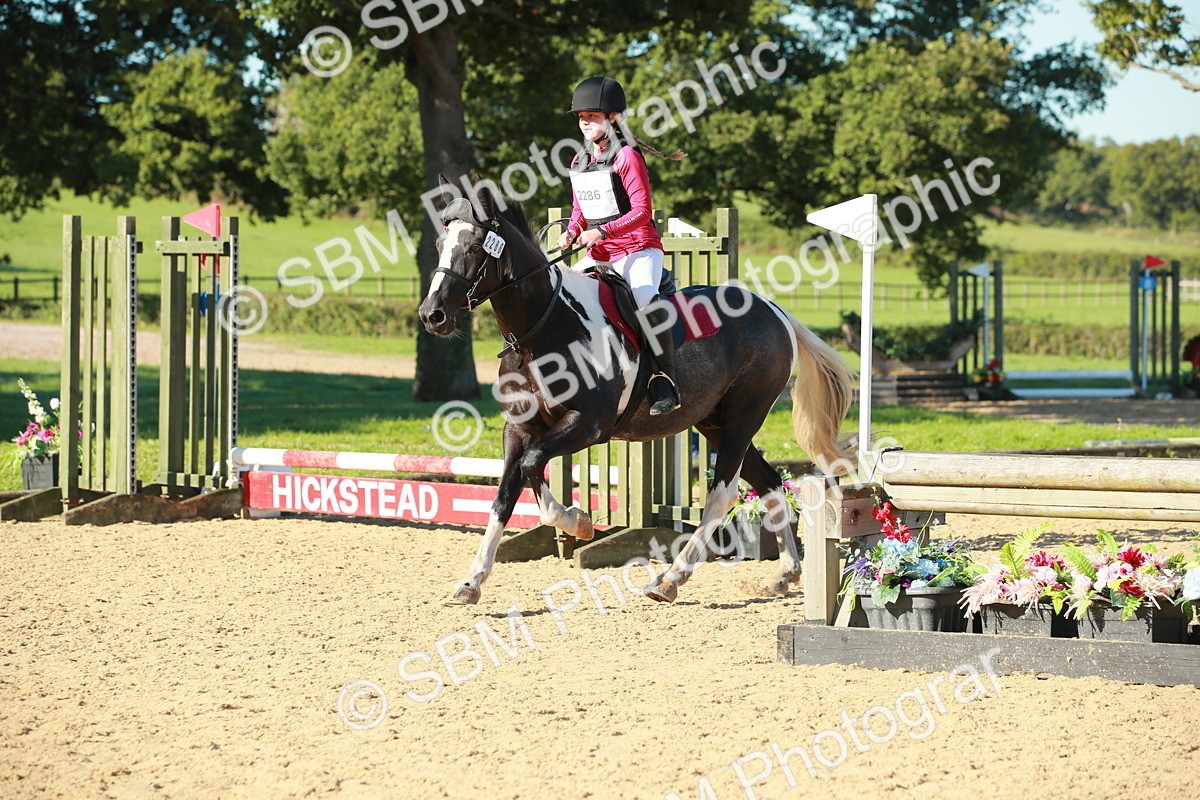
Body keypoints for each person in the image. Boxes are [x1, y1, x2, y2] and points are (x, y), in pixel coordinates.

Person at [557, 76, 686, 416]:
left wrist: (602, 232)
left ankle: (664, 379)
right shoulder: (578, 161)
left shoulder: (627, 157)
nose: (585, 122)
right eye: (581, 117)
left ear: (612, 117)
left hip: (638, 250)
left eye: (593, 116)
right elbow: (579, 209)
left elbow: (643, 212)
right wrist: (572, 231)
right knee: (564, 296)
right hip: (601, 254)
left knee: (644, 297)